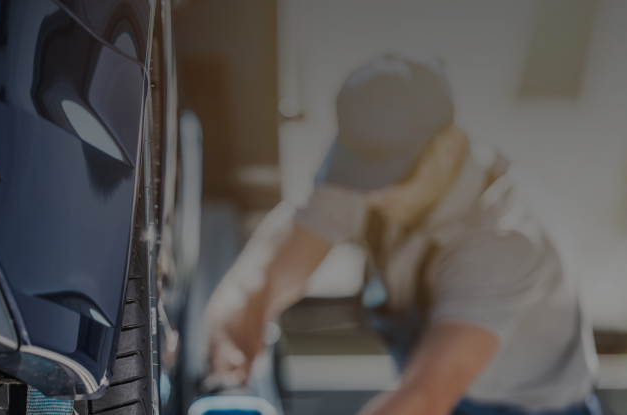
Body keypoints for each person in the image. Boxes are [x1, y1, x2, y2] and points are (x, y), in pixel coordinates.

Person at [203, 55, 600, 415]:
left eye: (389, 175)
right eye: (360, 172)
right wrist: (229, 382)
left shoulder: (506, 237)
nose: (371, 194)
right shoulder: (360, 175)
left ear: (449, 148)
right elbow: (257, 281)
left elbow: (426, 397)